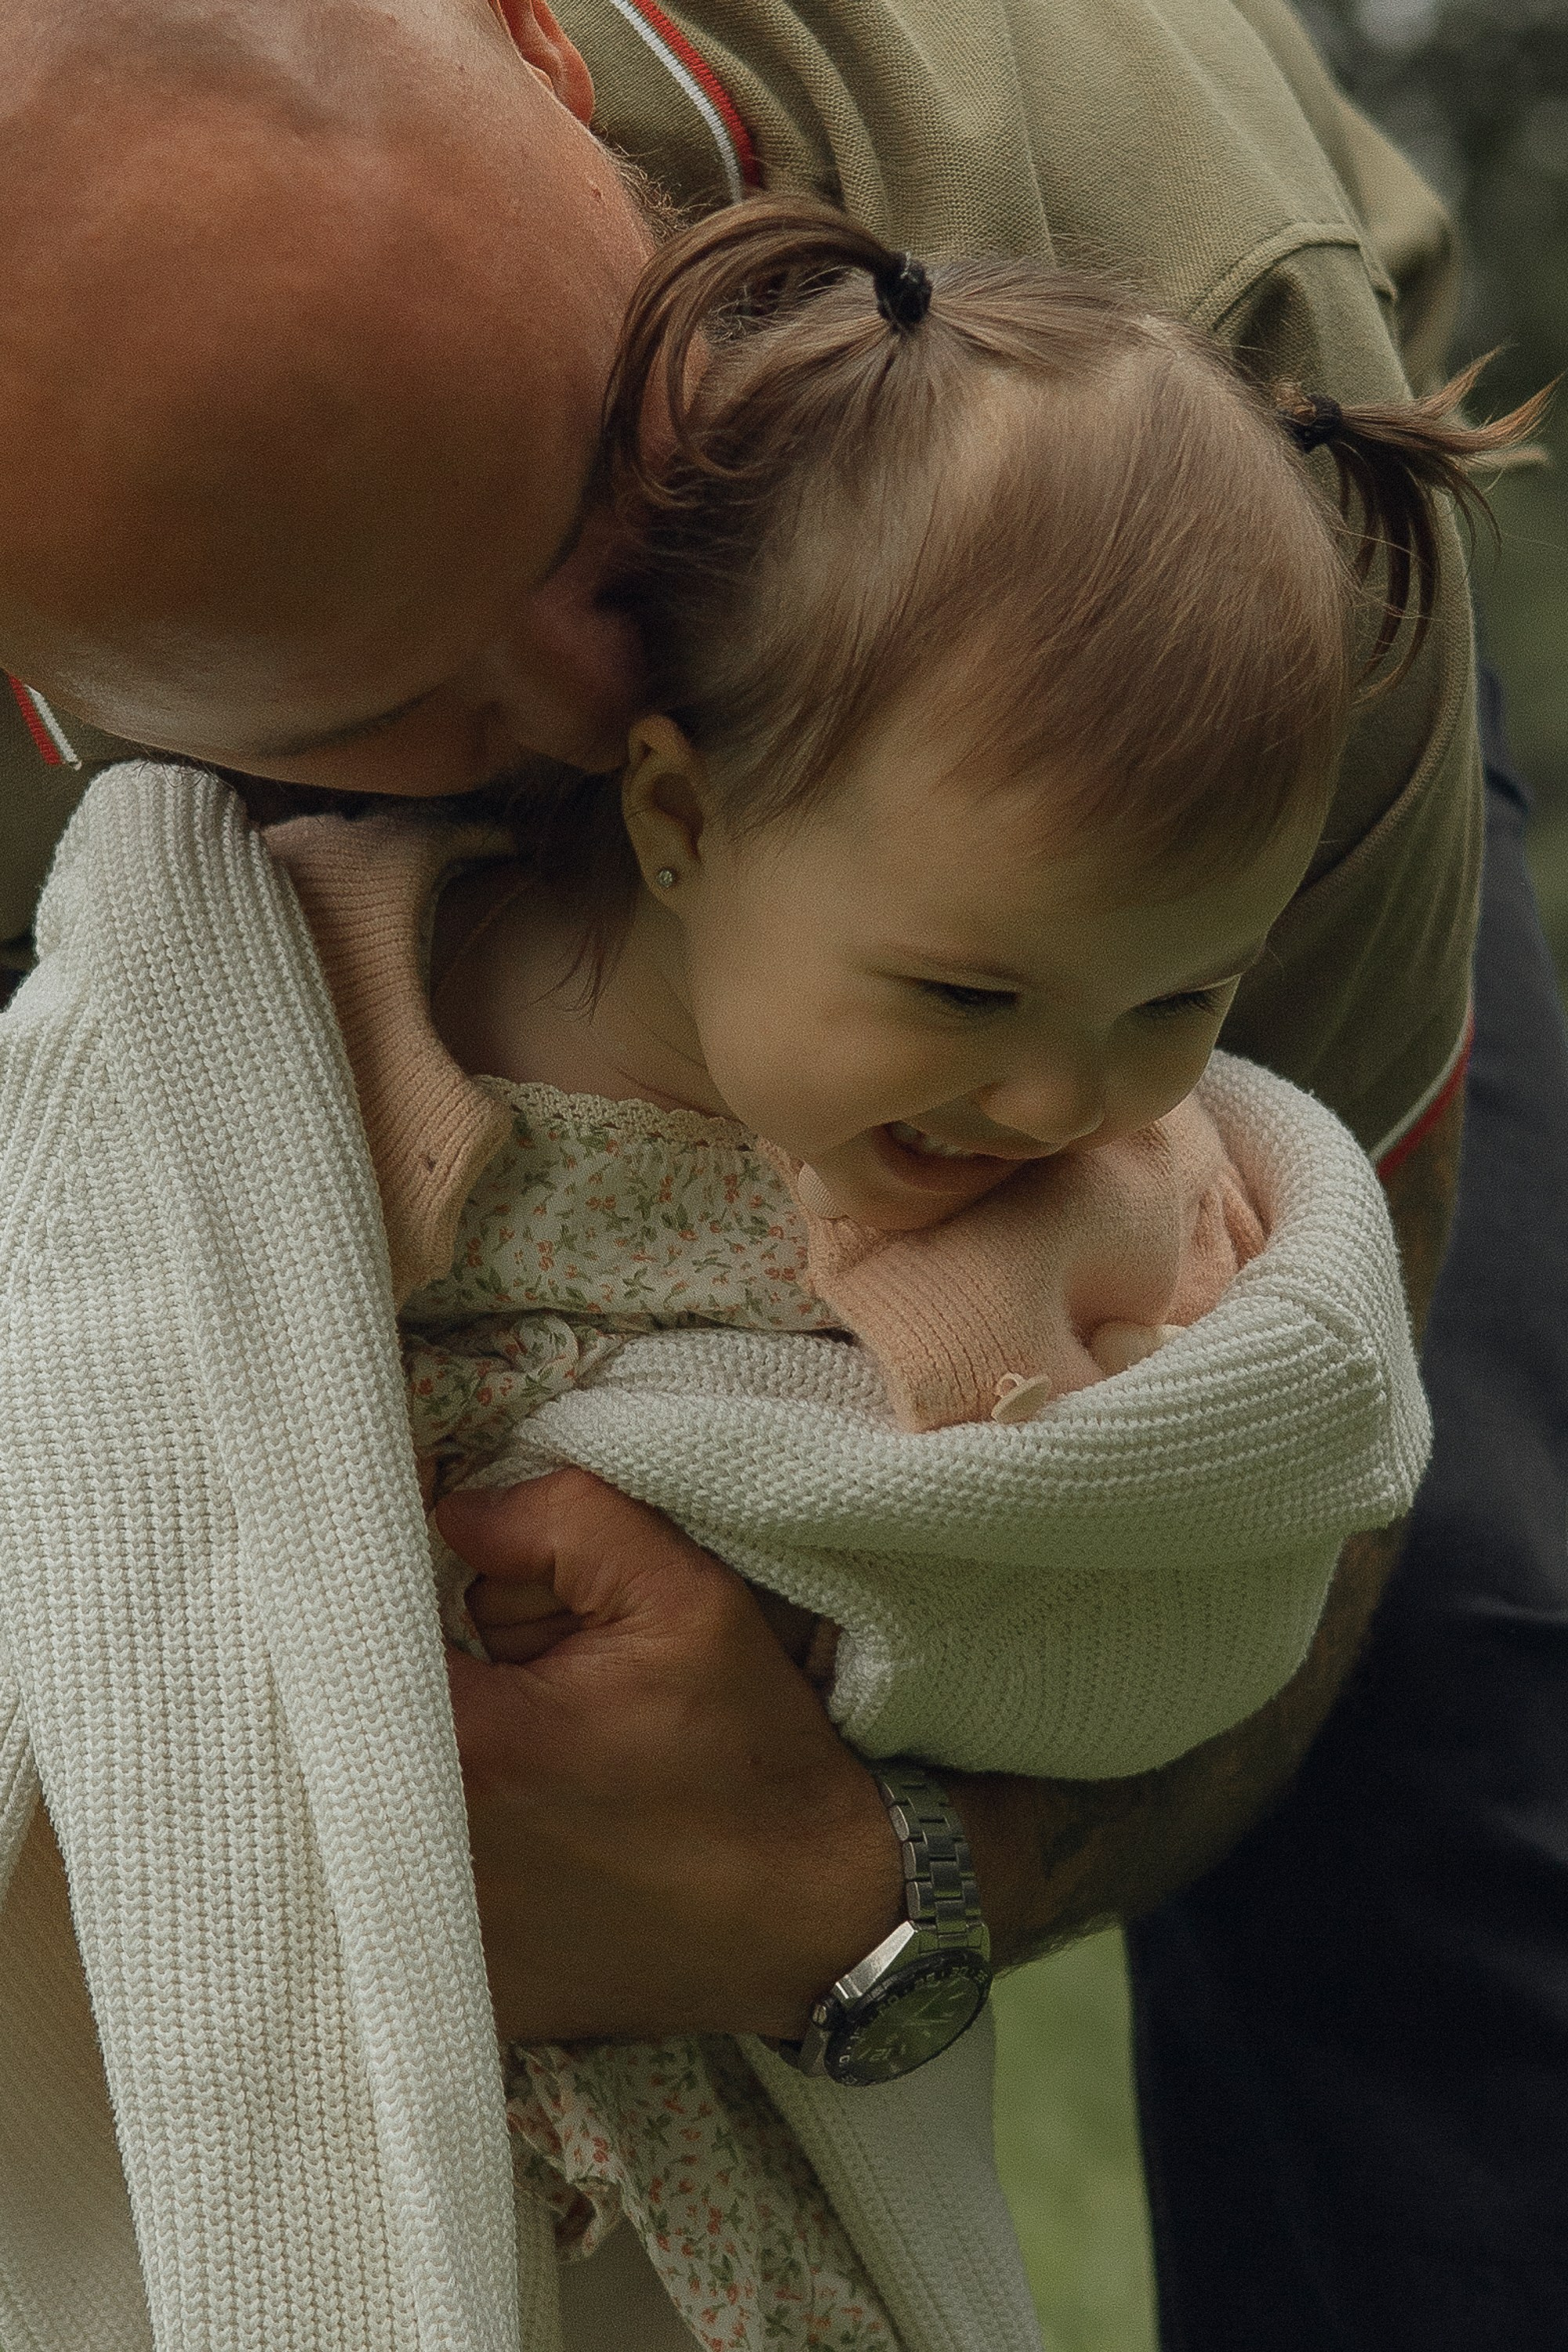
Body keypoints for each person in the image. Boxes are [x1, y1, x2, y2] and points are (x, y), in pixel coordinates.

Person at [0, 3, 1554, 2345]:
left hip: (1116, 640)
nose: (608, 685)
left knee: (1457, 1766)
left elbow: (1299, 1510)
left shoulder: (1193, 410)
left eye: (591, 480)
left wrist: (839, 1882)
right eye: (382, 704)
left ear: (534, 49)